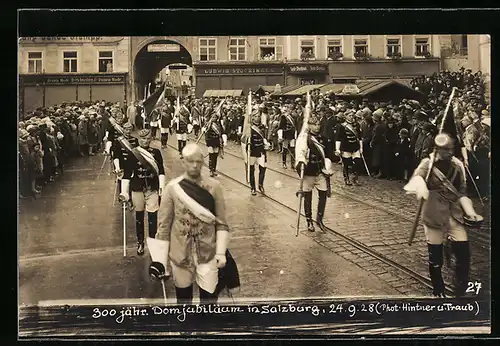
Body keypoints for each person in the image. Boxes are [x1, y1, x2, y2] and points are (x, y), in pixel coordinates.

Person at [404, 133, 482, 298]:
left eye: (451, 148)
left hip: (455, 215)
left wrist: (471, 212)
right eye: (446, 149)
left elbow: (461, 192)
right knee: (435, 256)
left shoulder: (458, 165)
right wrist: (420, 187)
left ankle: (461, 287)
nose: (450, 152)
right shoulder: (428, 163)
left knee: (463, 253)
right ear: (437, 149)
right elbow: (416, 179)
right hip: (434, 215)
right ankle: (438, 290)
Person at [150, 143, 230, 304]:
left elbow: (221, 223)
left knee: (209, 303)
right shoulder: (172, 189)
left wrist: (220, 252)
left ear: (203, 162)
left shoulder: (214, 187)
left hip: (207, 253)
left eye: (198, 161)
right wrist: (160, 261)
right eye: (190, 161)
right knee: (184, 301)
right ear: (183, 162)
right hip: (180, 254)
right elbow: (163, 226)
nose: (194, 165)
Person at [119, 129, 165, 256]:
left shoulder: (156, 153)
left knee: (152, 217)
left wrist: (162, 188)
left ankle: (153, 242)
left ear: (151, 139)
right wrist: (124, 192)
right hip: (137, 188)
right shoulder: (133, 153)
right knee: (139, 216)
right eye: (143, 139)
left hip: (152, 188)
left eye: (148, 138)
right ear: (139, 139)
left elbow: (161, 171)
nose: (145, 141)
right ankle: (140, 242)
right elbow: (127, 175)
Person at [296, 111, 334, 232]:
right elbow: (300, 153)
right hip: (309, 171)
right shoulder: (304, 139)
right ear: (309, 125)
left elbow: (328, 155)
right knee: (308, 197)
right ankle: (309, 221)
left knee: (323, 194)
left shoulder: (323, 138)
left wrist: (328, 166)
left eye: (318, 124)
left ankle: (319, 219)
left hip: (321, 172)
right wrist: (301, 161)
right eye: (314, 124)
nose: (317, 126)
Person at [335, 110, 364, 186]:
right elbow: (338, 138)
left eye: (352, 116)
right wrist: (337, 149)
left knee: (357, 163)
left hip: (355, 147)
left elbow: (359, 137)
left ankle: (355, 179)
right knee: (346, 164)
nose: (351, 117)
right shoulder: (341, 126)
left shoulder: (356, 125)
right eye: (349, 116)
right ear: (346, 116)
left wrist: (361, 147)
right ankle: (347, 179)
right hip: (346, 147)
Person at [245, 109, 269, 196]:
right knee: (251, 170)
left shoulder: (263, 127)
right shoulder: (249, 127)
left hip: (261, 151)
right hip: (252, 151)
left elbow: (265, 138)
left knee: (263, 168)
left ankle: (260, 185)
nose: (257, 118)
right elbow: (245, 139)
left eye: (258, 116)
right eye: (255, 116)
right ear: (252, 117)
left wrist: (266, 143)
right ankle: (253, 188)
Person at [204, 111, 224, 177]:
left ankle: (214, 169)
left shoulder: (218, 125)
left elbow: (221, 132)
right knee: (211, 156)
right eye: (212, 117)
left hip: (216, 141)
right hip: (210, 141)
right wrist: (207, 141)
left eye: (215, 117)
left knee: (215, 156)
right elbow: (206, 133)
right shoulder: (209, 124)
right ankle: (210, 170)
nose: (213, 118)